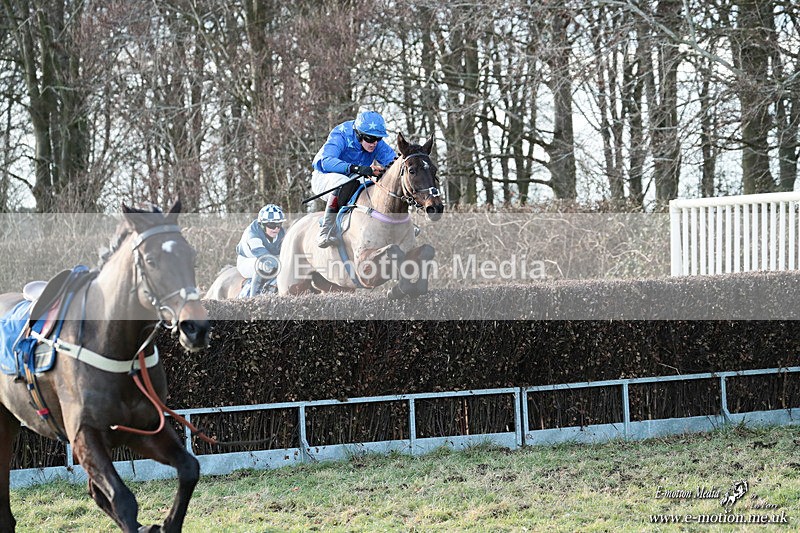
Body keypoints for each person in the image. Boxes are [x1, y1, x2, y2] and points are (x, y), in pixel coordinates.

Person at [311, 110, 397, 248]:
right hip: (325, 176)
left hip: (353, 178)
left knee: (374, 186)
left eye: (378, 139)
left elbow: (394, 163)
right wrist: (356, 168)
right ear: (359, 134)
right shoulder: (341, 134)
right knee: (344, 182)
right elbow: (324, 161)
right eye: (370, 139)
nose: (374, 143)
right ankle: (325, 229)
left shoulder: (374, 142)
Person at [236, 204, 286, 296]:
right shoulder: (252, 233)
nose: (276, 229)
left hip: (272, 258)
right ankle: (254, 299)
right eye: (272, 225)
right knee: (263, 265)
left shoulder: (282, 233)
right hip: (248, 260)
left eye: (279, 225)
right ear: (262, 225)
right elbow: (264, 256)